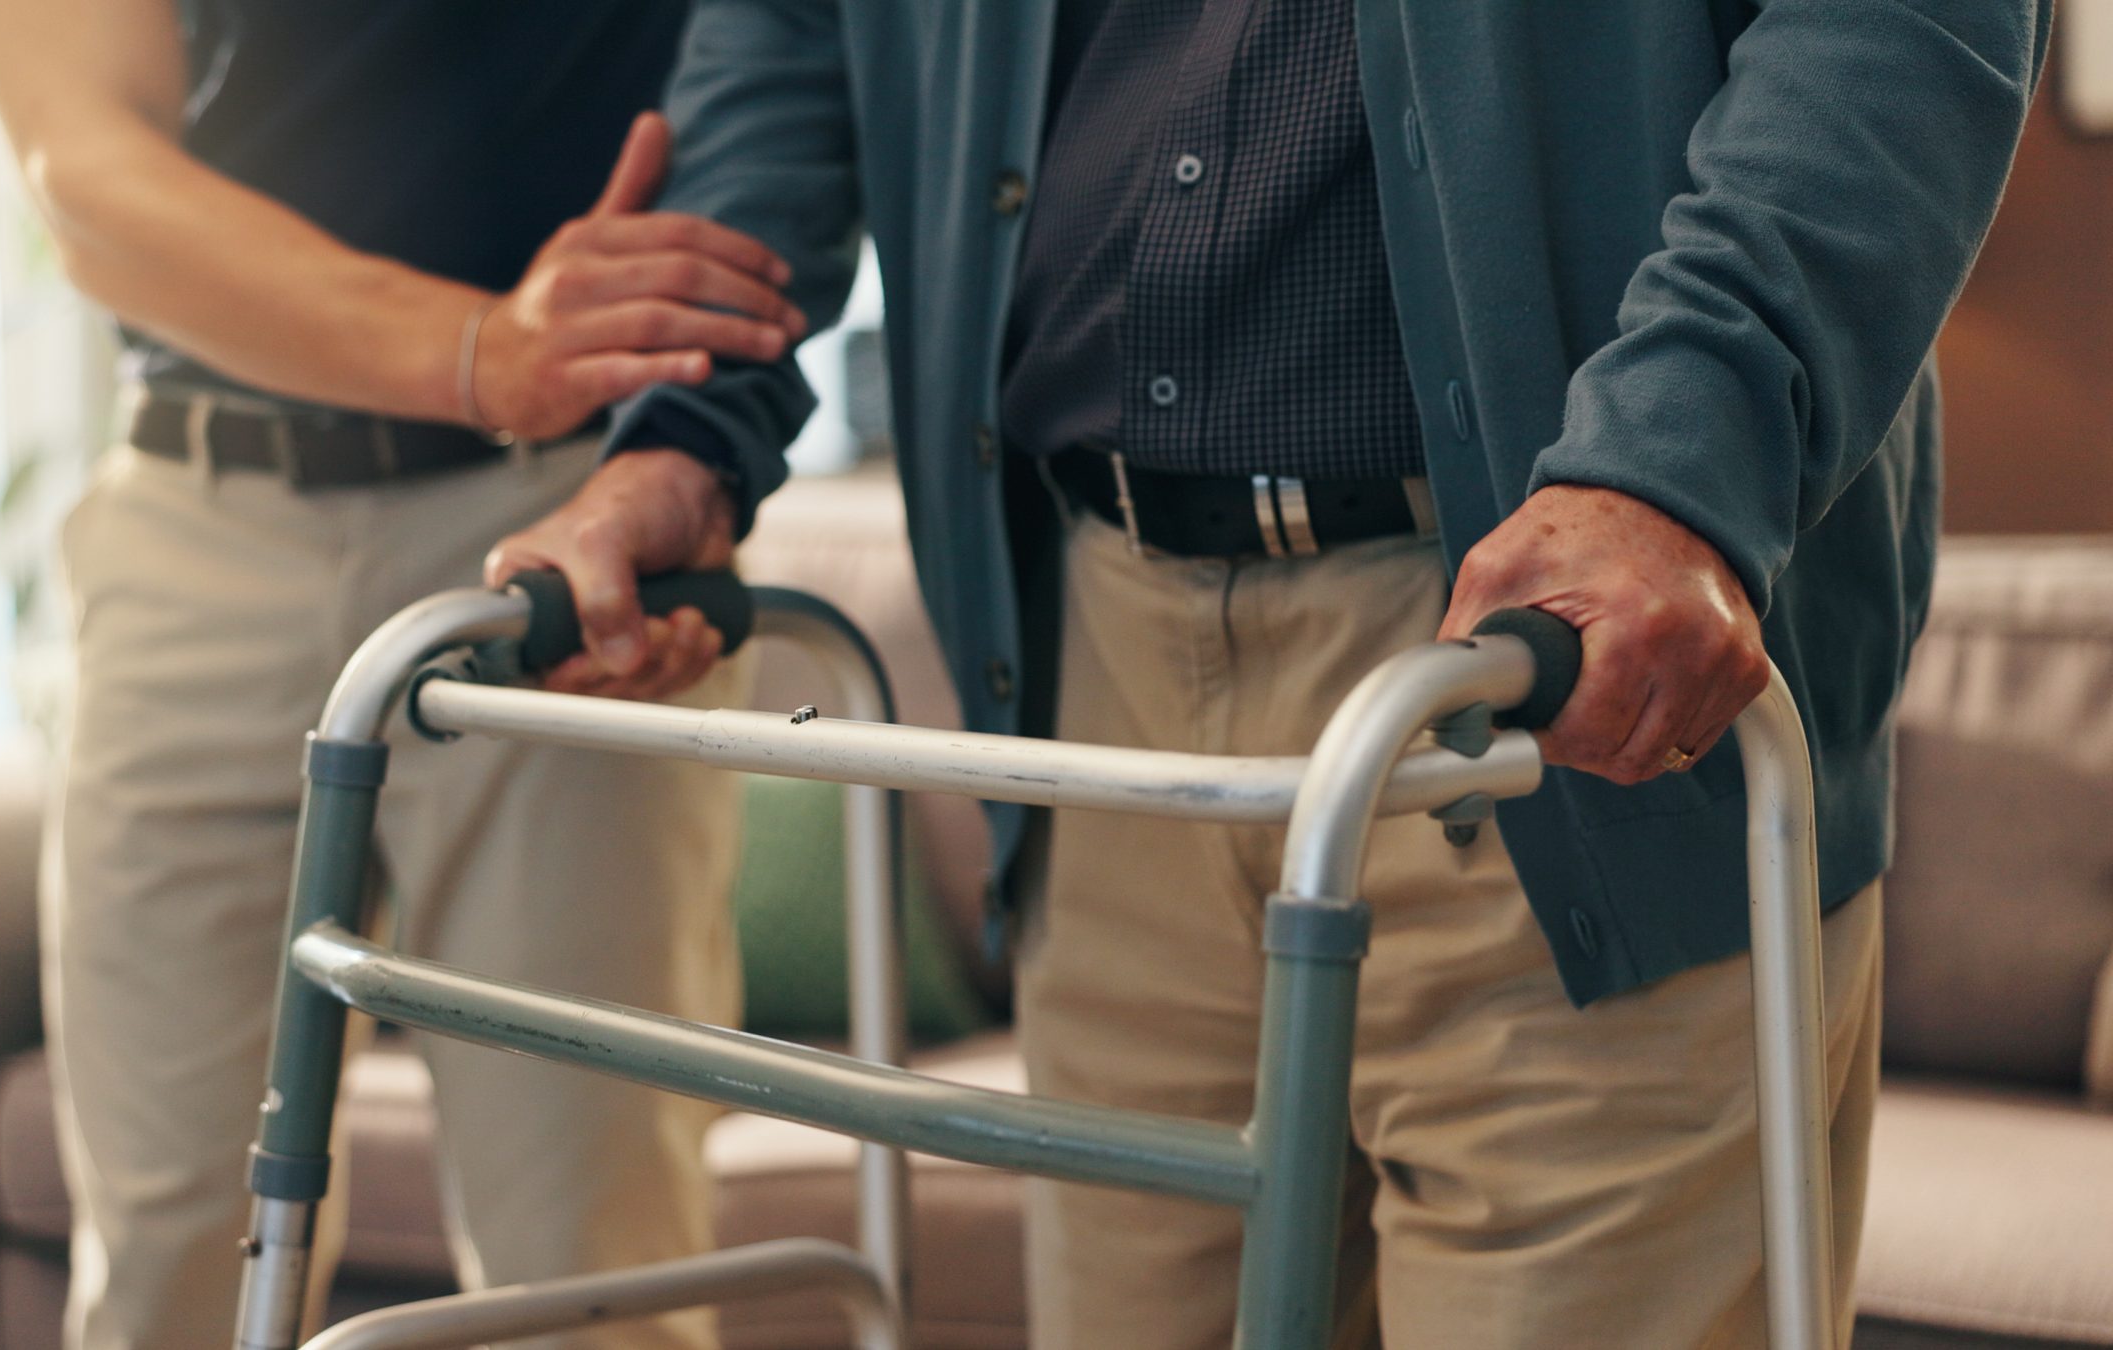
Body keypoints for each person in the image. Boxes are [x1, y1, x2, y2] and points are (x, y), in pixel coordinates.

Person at [489, 1, 2047, 1345]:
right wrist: (688, 439)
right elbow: (796, 33)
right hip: (1094, 692)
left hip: (1557, 674)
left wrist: (1681, 456)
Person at [0, 2, 810, 1345]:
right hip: (204, 523)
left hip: (556, 525)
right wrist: (478, 351)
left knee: (590, 1262)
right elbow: (81, 166)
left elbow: (797, 73)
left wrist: (680, 455)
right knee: (171, 1251)